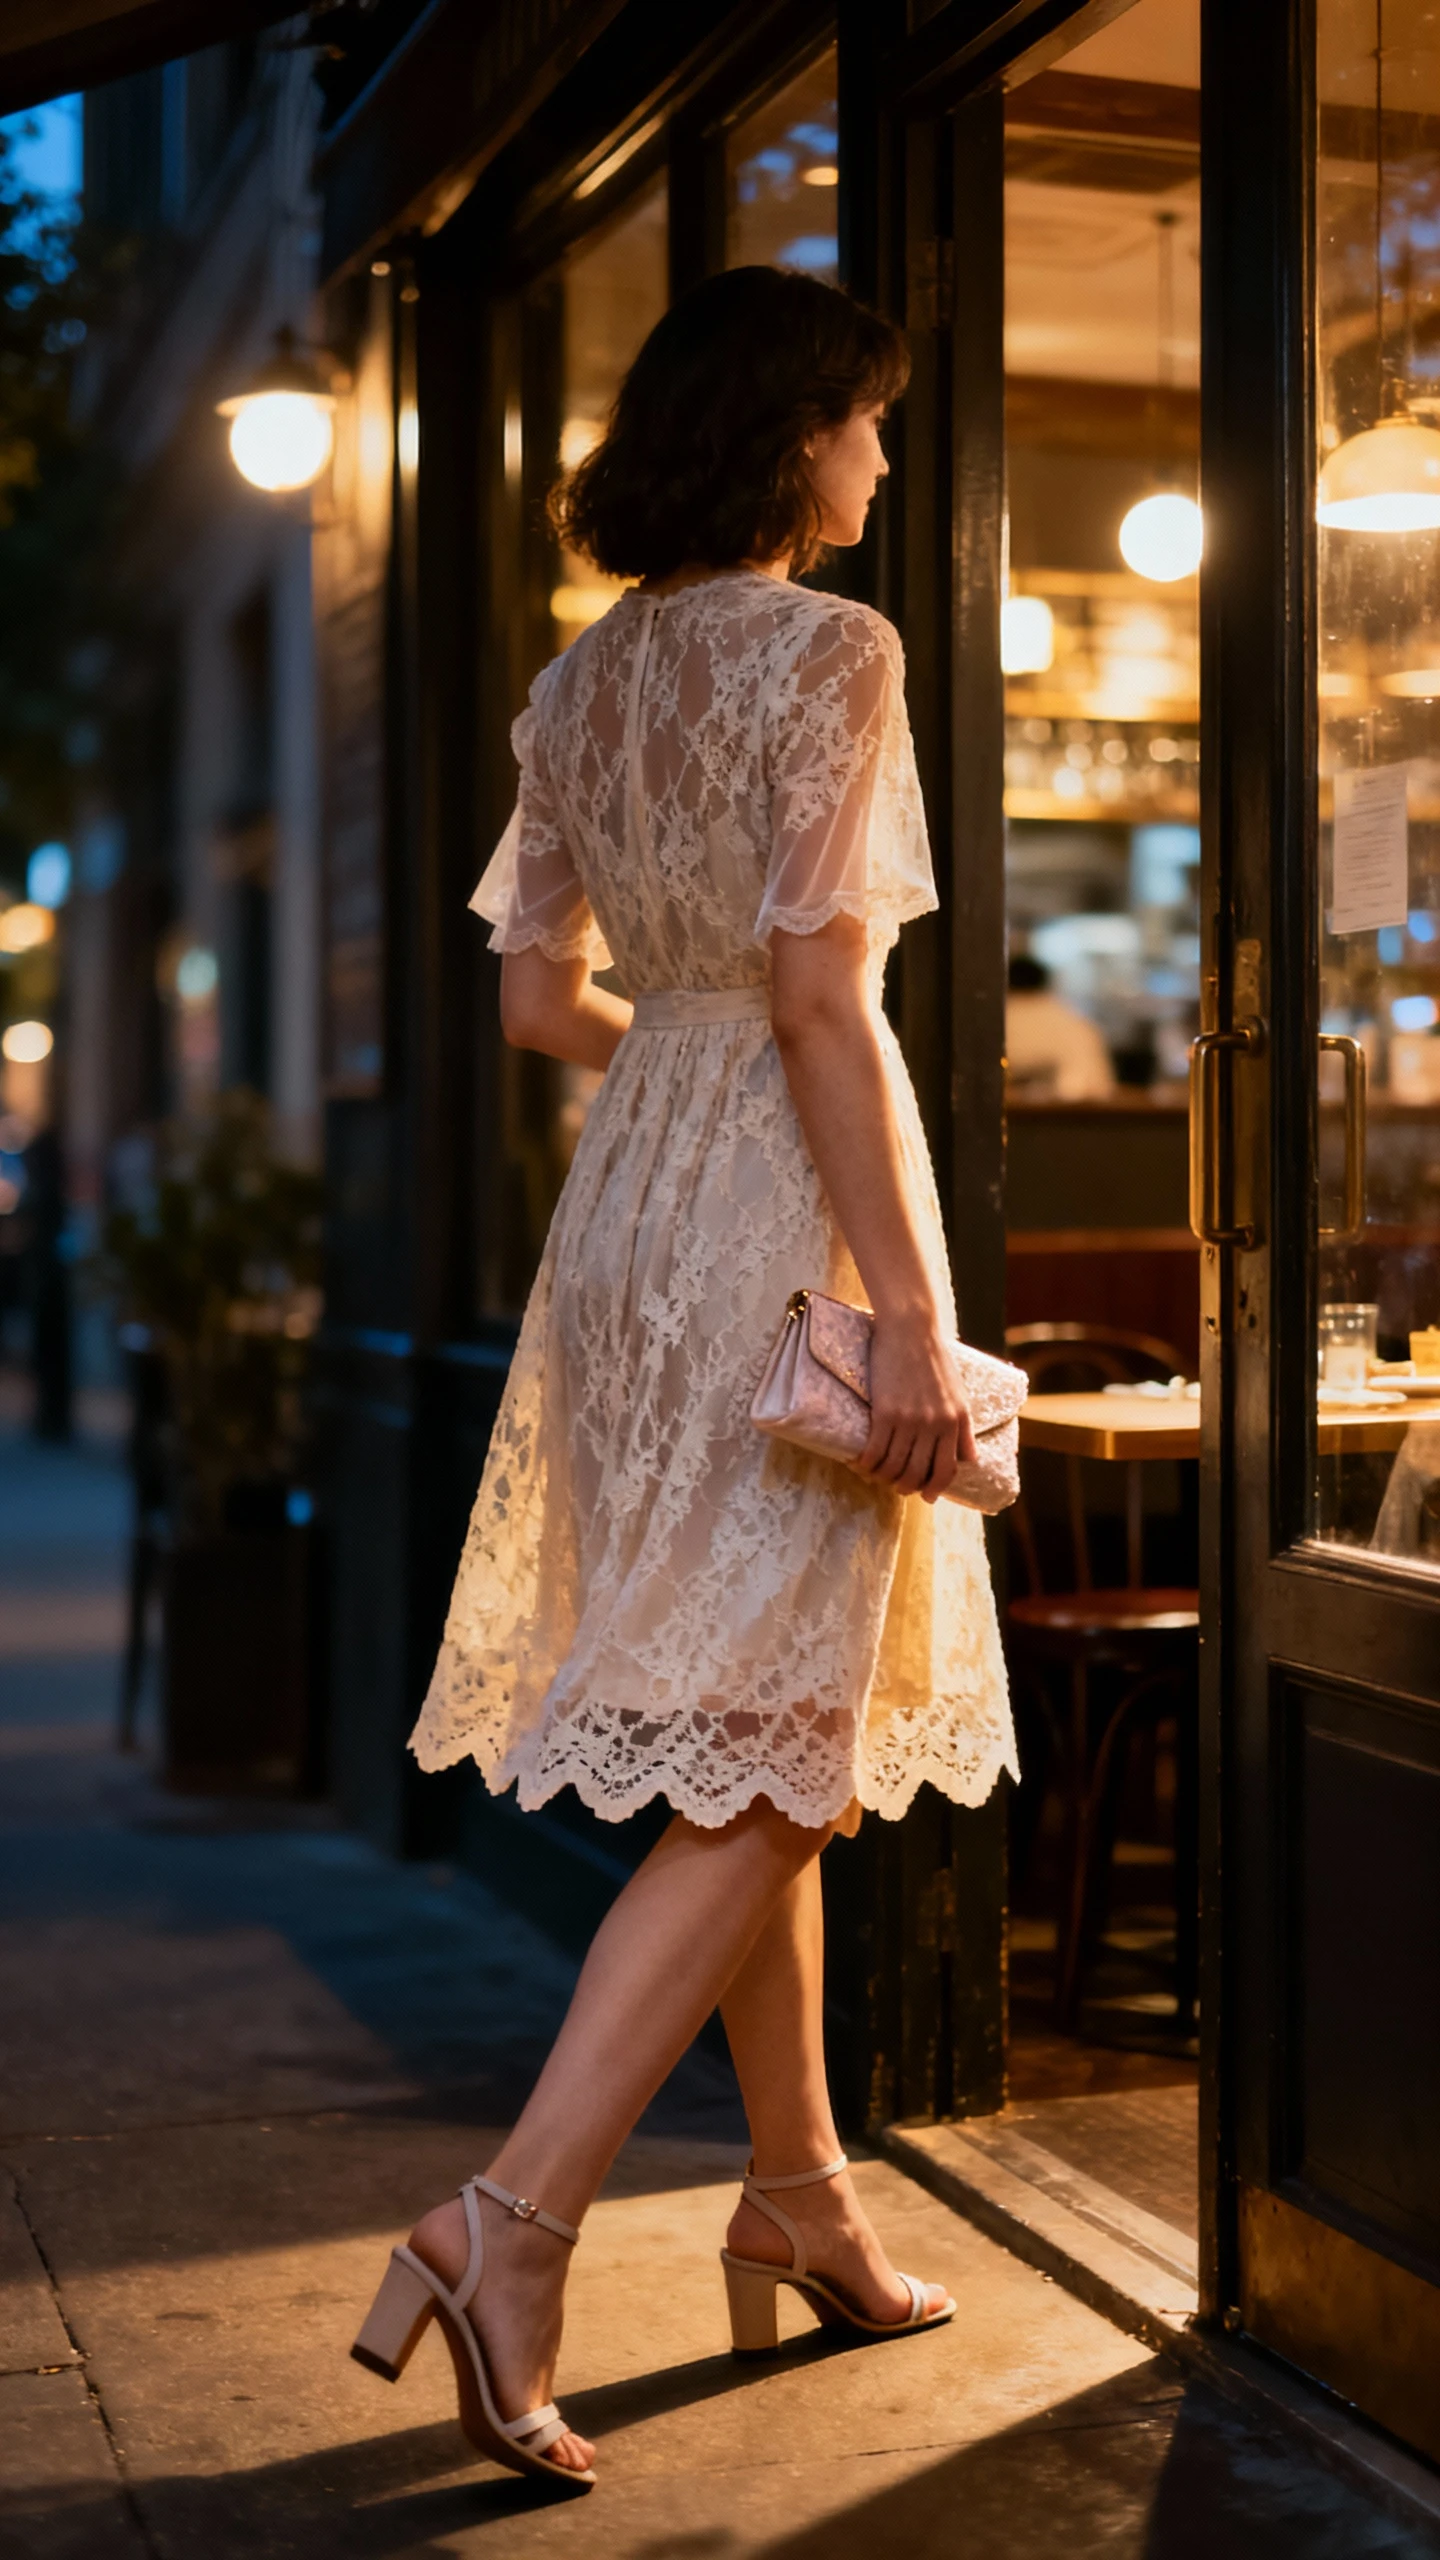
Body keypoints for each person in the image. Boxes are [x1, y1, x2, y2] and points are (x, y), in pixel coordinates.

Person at [351, 265, 1015, 2492]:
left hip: (626, 1223)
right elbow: (828, 1000)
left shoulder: (578, 679)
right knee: (780, 1742)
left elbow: (541, 1002)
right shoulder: (836, 652)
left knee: (758, 1720)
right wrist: (909, 1309)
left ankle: (802, 2181)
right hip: (777, 1206)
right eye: (871, 421)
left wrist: (684, 1089)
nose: (886, 458)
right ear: (795, 429)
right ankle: (507, 2220)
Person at [1004, 951, 1116, 1102]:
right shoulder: (1076, 1022)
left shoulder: (1000, 1021)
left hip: (1018, 1118)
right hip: (1078, 1118)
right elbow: (1100, 1086)